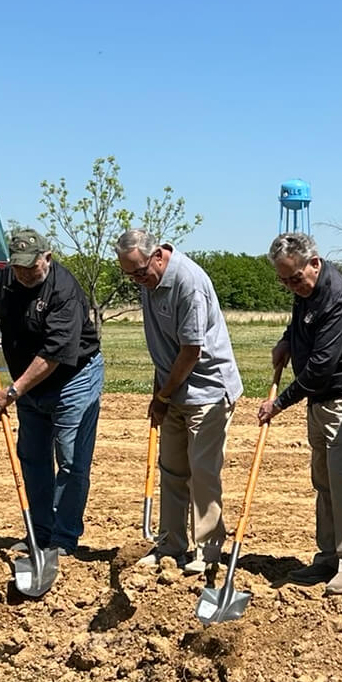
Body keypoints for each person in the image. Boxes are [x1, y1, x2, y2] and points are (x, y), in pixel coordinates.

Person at [257, 232, 342, 595]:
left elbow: (320, 368)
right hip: (322, 400)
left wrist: (278, 403)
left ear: (314, 262)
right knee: (324, 481)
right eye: (284, 281)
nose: (292, 286)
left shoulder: (336, 294)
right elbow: (301, 321)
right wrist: (286, 340)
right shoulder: (307, 291)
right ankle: (328, 557)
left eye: (295, 278)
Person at [0, 228, 104, 556]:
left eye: (30, 267)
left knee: (71, 461)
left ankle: (63, 538)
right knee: (32, 458)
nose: (23, 274)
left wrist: (13, 391)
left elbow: (53, 356)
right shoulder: (9, 278)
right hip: (29, 385)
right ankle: (39, 532)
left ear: (47, 258)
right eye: (17, 267)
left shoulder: (65, 291)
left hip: (71, 379)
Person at [118, 229, 243, 574]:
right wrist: (158, 394)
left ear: (157, 255)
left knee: (202, 473)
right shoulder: (148, 283)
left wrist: (162, 396)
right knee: (172, 470)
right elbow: (164, 350)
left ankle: (208, 550)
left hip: (207, 391)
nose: (137, 280)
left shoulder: (189, 283)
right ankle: (171, 546)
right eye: (129, 275)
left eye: (140, 271)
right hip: (173, 389)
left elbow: (190, 351)